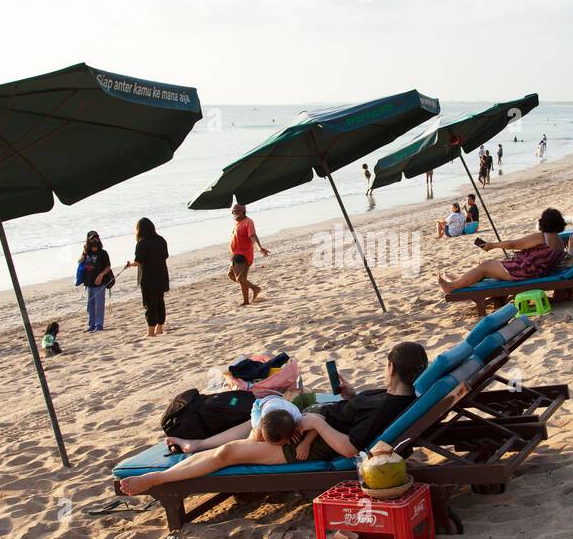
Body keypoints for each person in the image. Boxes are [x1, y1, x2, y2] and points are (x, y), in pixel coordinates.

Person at [118, 341, 428, 493]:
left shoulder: (388, 407)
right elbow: (363, 413)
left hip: (311, 441)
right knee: (256, 416)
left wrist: (317, 423)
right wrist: (351, 396)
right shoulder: (398, 396)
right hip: (313, 423)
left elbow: (351, 449)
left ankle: (156, 478)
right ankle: (197, 445)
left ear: (391, 368)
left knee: (229, 453)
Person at [438, 207, 567, 293]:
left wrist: (491, 245)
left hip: (524, 271)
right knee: (486, 264)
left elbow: (513, 244)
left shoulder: (541, 237)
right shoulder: (560, 242)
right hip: (538, 271)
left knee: (485, 267)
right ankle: (459, 280)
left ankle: (451, 286)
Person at [123, 217, 169, 337]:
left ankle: (150, 332)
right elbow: (165, 255)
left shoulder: (142, 243)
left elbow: (138, 261)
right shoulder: (161, 240)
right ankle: (160, 328)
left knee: (149, 304)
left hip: (148, 278)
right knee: (160, 302)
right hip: (161, 275)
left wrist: (129, 264)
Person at [227, 204, 269, 306]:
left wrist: (259, 248)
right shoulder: (238, 223)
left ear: (242, 212)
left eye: (235, 211)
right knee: (231, 275)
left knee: (241, 279)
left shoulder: (248, 222)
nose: (233, 213)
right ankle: (253, 290)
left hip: (243, 255)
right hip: (235, 255)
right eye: (232, 211)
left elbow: (253, 236)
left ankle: (250, 296)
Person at [79, 231, 112, 332]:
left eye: (97, 238)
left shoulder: (103, 253)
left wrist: (101, 275)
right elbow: (80, 263)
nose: (95, 240)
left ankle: (99, 325)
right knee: (90, 306)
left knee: (99, 305)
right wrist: (83, 255)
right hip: (88, 283)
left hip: (99, 283)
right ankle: (91, 325)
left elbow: (108, 267)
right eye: (92, 239)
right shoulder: (86, 252)